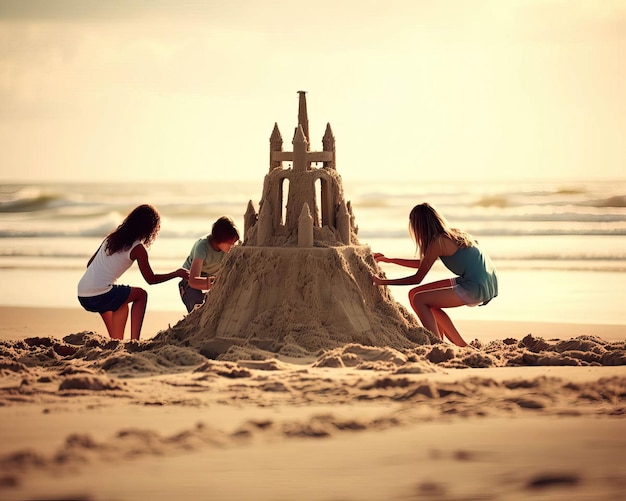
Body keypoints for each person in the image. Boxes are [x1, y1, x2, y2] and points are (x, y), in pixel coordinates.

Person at [372, 202, 498, 347]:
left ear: (419, 225)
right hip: (485, 282)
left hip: (475, 286)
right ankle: (456, 343)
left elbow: (417, 278)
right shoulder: (451, 234)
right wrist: (389, 260)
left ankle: (436, 343)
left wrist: (382, 281)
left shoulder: (439, 241)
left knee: (420, 299)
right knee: (415, 293)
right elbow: (423, 263)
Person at [77, 204, 189, 341]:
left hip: (83, 293)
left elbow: (90, 264)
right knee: (141, 294)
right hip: (99, 294)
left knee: (121, 303)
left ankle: (115, 341)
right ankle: (135, 341)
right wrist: (176, 273)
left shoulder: (111, 239)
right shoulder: (138, 249)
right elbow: (151, 279)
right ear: (149, 228)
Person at [179, 216, 240, 313]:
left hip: (211, 279)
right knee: (197, 304)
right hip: (189, 280)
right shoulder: (202, 247)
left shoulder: (226, 249)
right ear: (220, 239)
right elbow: (193, 280)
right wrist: (215, 283)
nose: (233, 247)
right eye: (230, 243)